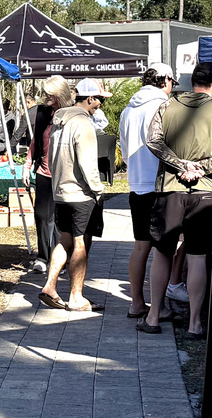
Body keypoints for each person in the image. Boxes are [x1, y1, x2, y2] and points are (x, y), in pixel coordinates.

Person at [142, 62, 212, 337]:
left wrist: (180, 165)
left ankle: (152, 317)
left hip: (169, 189)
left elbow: (153, 141)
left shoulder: (167, 107)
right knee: (197, 257)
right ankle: (195, 323)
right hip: (204, 192)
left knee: (162, 252)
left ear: (190, 81)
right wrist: (203, 168)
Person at [38, 78, 110, 313]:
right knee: (80, 243)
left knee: (64, 240)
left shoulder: (59, 121)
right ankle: (76, 296)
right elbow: (88, 162)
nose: (100, 104)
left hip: (60, 192)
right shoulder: (83, 123)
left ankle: (50, 285)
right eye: (99, 99)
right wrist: (98, 190)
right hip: (80, 193)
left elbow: (52, 159)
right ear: (89, 98)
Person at [118, 62, 175, 319]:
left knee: (141, 246)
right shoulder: (163, 106)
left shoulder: (128, 109)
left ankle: (136, 302)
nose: (173, 88)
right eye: (173, 83)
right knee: (163, 248)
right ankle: (158, 306)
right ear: (165, 80)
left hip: (137, 183)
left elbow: (124, 147)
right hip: (160, 184)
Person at [23, 76, 73, 274]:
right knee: (42, 216)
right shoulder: (42, 113)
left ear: (59, 93)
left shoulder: (71, 114)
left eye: (49, 94)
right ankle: (43, 257)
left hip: (65, 174)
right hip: (44, 171)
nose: (44, 97)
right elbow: (36, 140)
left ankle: (58, 259)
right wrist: (27, 164)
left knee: (60, 219)